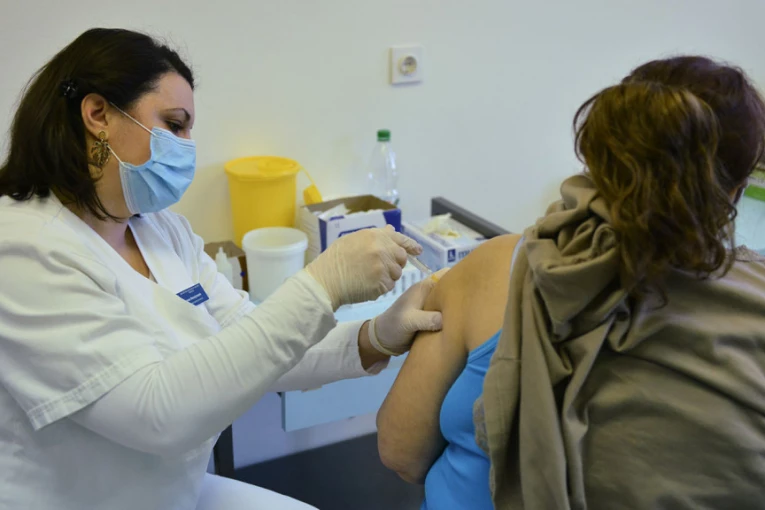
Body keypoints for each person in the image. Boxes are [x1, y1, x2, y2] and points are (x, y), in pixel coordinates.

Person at [0, 28, 445, 510]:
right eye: (174, 125)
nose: (187, 147)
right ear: (98, 114)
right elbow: (158, 414)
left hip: (175, 492)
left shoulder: (160, 231)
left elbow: (252, 340)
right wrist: (324, 283)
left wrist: (374, 336)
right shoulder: (23, 250)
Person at [377, 55, 765, 509]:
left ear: (603, 158)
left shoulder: (496, 268)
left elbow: (401, 453)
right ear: (737, 189)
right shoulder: (754, 304)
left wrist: (375, 337)